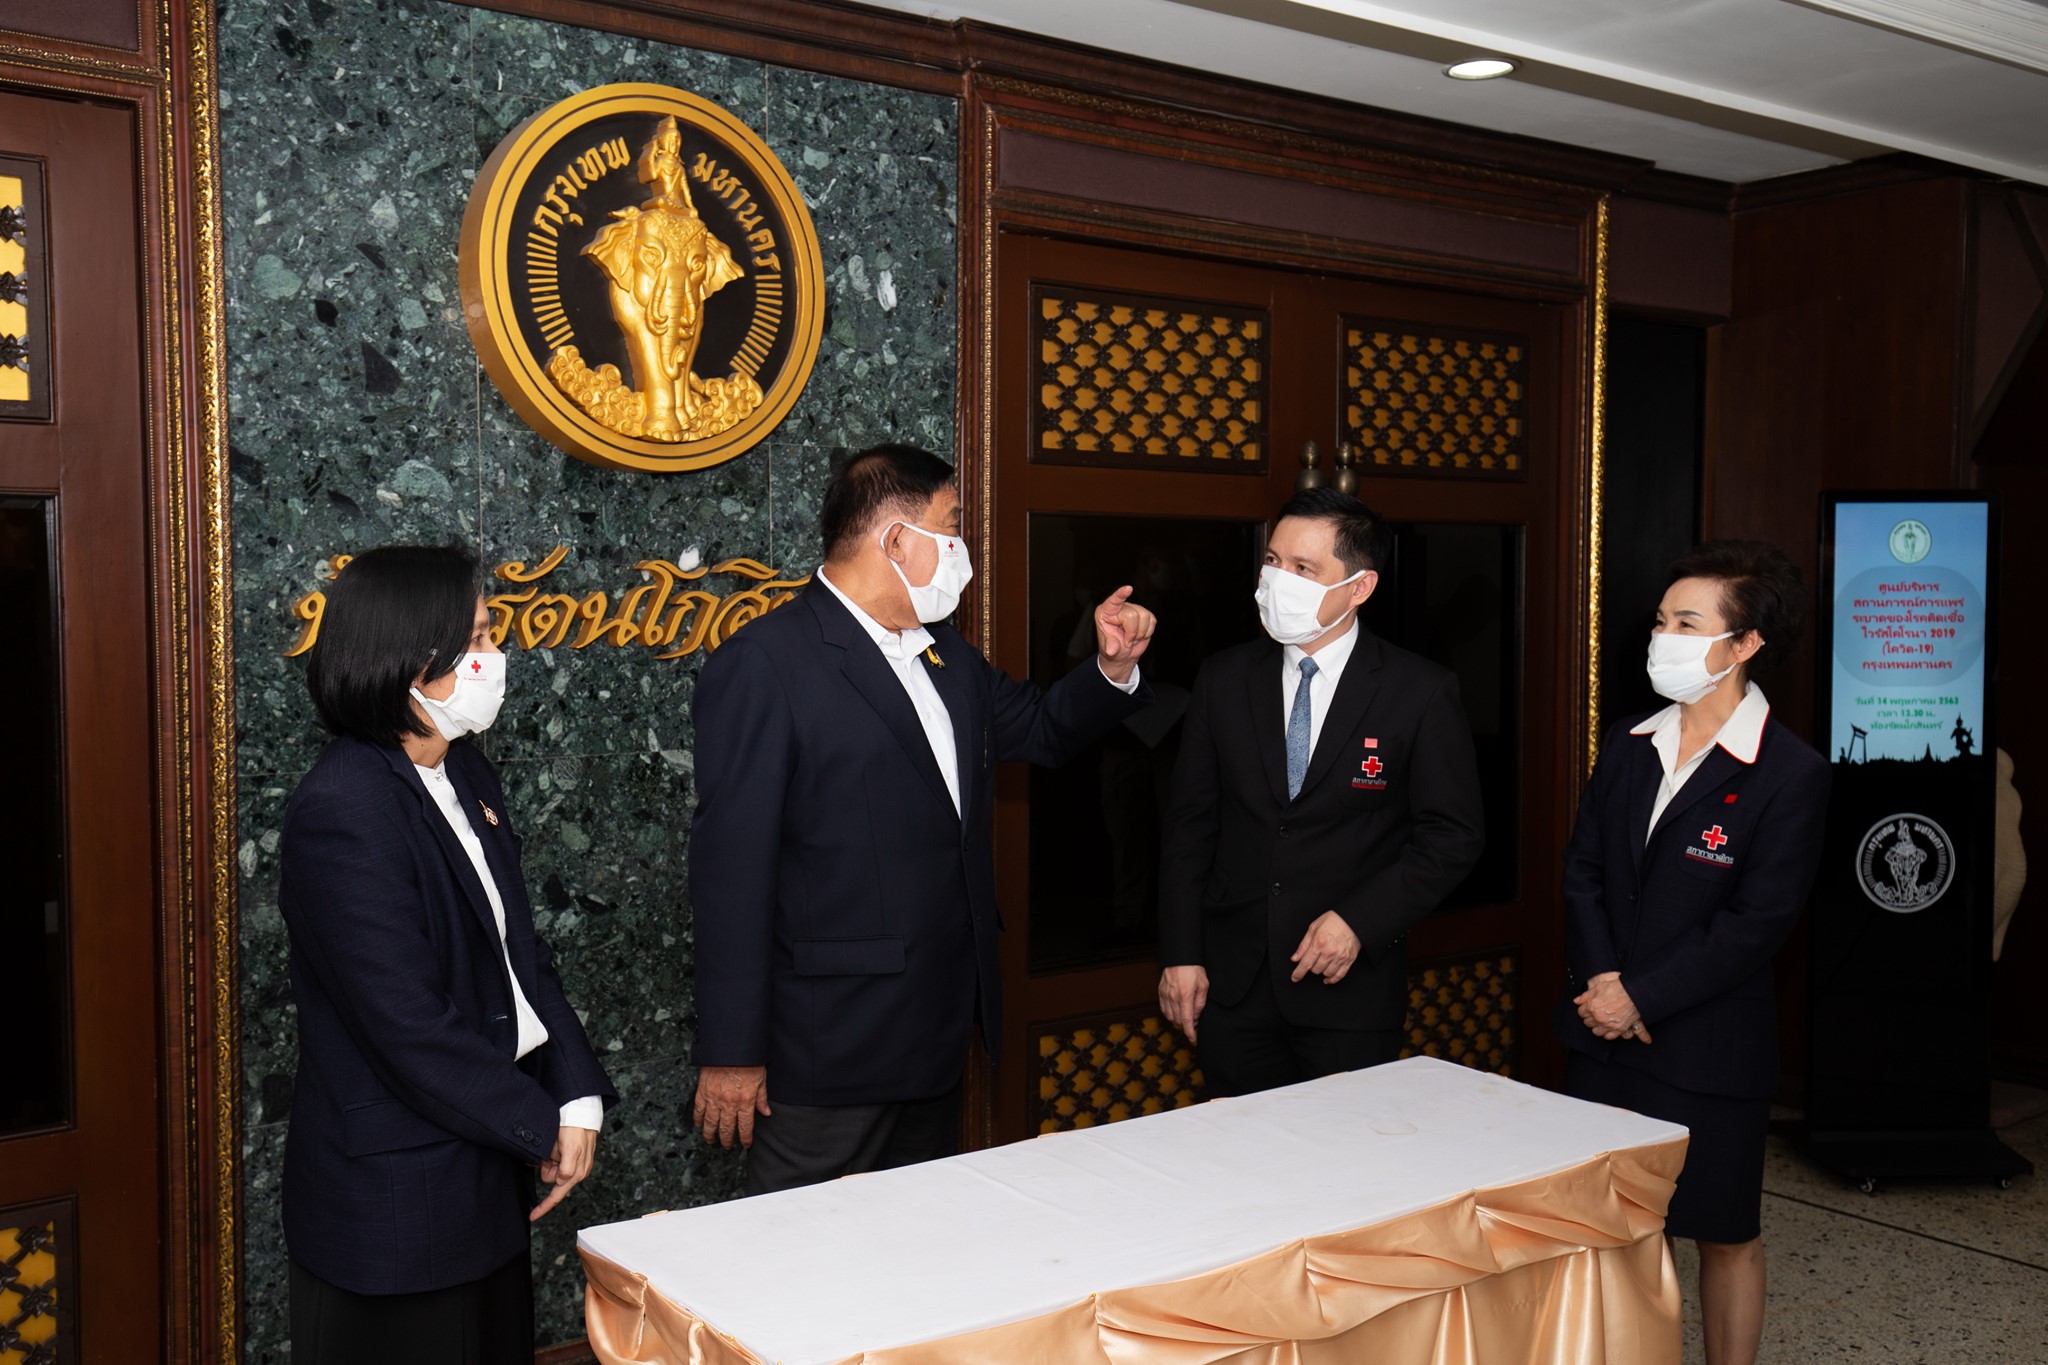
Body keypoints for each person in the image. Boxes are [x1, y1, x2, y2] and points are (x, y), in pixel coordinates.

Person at [688, 443, 1156, 1193]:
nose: (963, 547)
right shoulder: (766, 663)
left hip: (936, 1035)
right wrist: (732, 1050)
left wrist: (1111, 668)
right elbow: (731, 871)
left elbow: (1041, 728)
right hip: (831, 1046)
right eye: (953, 525)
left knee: (920, 1239)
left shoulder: (946, 655)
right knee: (803, 1244)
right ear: (897, 541)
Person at [279, 545, 614, 1364]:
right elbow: (405, 1025)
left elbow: (520, 952)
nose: (495, 656)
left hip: (483, 1176)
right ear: (409, 659)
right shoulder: (344, 807)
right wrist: (540, 1126)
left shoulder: (463, 770)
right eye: (478, 637)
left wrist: (576, 1095)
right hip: (398, 1212)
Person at [1554, 539, 1828, 1365]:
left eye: (1686, 622)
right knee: (1621, 1235)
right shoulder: (1628, 741)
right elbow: (1584, 869)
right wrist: (1604, 980)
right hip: (1604, 1037)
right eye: (1661, 619)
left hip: (1707, 1047)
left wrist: (1640, 995)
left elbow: (1756, 922)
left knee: (1723, 1231)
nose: (1661, 636)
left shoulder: (1789, 771)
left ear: (1745, 644)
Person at [1156, 488, 1484, 1096]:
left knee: (1346, 1153)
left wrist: (1361, 920)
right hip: (1232, 986)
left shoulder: (1418, 691)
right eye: (1273, 561)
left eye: (1303, 568)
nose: (1279, 579)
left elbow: (1452, 837)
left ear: (1360, 587)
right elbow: (1189, 825)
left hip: (1348, 992)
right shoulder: (1224, 678)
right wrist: (1181, 952)